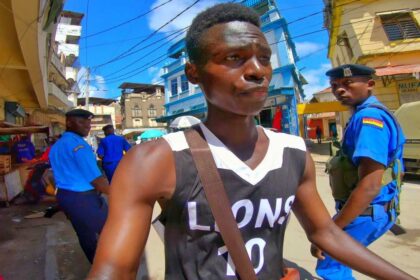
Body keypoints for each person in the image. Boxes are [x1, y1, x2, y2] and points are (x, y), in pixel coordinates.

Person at [88, 4, 414, 280]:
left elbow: (324, 233)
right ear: (194, 73)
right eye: (234, 57)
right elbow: (114, 268)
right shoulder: (155, 160)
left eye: (264, 57)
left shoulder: (292, 152)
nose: (257, 70)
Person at [312, 64, 406, 279]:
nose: (339, 90)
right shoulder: (363, 115)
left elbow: (370, 186)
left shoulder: (368, 119)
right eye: (335, 86)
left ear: (370, 84)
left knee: (331, 265)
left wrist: (329, 231)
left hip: (367, 212)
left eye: (347, 83)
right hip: (371, 211)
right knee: (338, 264)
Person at [49, 109, 109, 263]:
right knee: (111, 231)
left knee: (85, 235)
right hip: (82, 198)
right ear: (69, 122)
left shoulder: (57, 145)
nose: (87, 126)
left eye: (89, 122)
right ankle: (107, 269)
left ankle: (96, 267)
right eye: (82, 122)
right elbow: (97, 180)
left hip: (66, 196)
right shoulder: (78, 146)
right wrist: (121, 194)